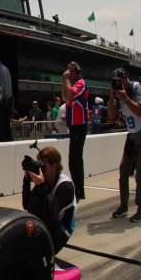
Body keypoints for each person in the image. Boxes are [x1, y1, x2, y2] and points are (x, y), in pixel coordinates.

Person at [109, 68, 141, 222]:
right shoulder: (118, 93)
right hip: (131, 138)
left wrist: (125, 97)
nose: (119, 84)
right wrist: (111, 97)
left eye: (120, 80)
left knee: (140, 174)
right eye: (116, 81)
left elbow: (139, 111)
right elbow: (111, 116)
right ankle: (123, 207)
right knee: (123, 170)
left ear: (126, 79)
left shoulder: (135, 87)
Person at [21, 146, 76, 253]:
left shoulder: (65, 186)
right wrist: (26, 180)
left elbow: (51, 215)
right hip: (47, 224)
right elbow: (27, 205)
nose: (41, 170)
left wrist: (41, 187)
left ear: (54, 166)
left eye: (43, 166)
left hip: (61, 230)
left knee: (38, 202)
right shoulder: (44, 181)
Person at [61, 61, 88, 200]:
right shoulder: (72, 83)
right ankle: (77, 189)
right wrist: (64, 81)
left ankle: (79, 191)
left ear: (76, 72)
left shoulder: (81, 83)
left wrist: (66, 80)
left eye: (70, 72)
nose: (68, 74)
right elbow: (65, 97)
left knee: (76, 158)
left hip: (80, 125)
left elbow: (70, 94)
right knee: (72, 159)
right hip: (73, 125)